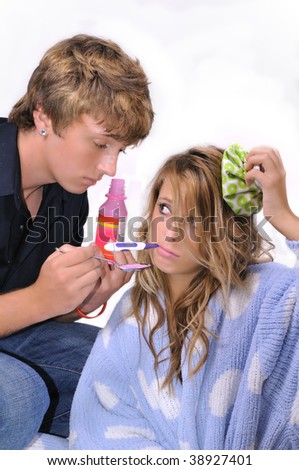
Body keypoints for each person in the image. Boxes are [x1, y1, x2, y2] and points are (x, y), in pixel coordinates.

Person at [27, 144, 299, 450]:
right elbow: (103, 422)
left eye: (195, 221)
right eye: (165, 208)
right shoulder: (136, 312)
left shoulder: (264, 295)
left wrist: (284, 217)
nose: (170, 231)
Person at [0, 33, 154, 449]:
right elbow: (33, 303)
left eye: (120, 150)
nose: (109, 166)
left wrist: (80, 299)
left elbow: (34, 313)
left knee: (133, 367)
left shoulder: (68, 196)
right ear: (45, 116)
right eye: (101, 144)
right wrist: (40, 299)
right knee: (18, 396)